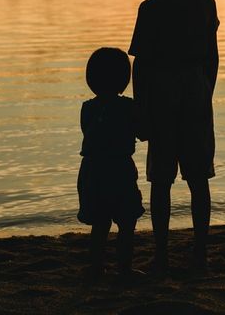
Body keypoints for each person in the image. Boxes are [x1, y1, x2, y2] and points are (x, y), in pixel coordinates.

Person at [129, 0, 219, 276]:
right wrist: (205, 91)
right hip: (196, 90)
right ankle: (200, 252)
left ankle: (162, 254)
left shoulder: (151, 8)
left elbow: (142, 64)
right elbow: (212, 56)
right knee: (198, 179)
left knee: (161, 180)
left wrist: (140, 108)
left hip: (164, 94)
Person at [77, 47, 144, 280]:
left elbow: (89, 133)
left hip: (93, 170)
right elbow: (143, 132)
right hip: (120, 170)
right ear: (124, 79)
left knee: (100, 222)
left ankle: (96, 267)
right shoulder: (128, 107)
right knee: (126, 223)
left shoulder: (87, 108)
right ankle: (124, 268)